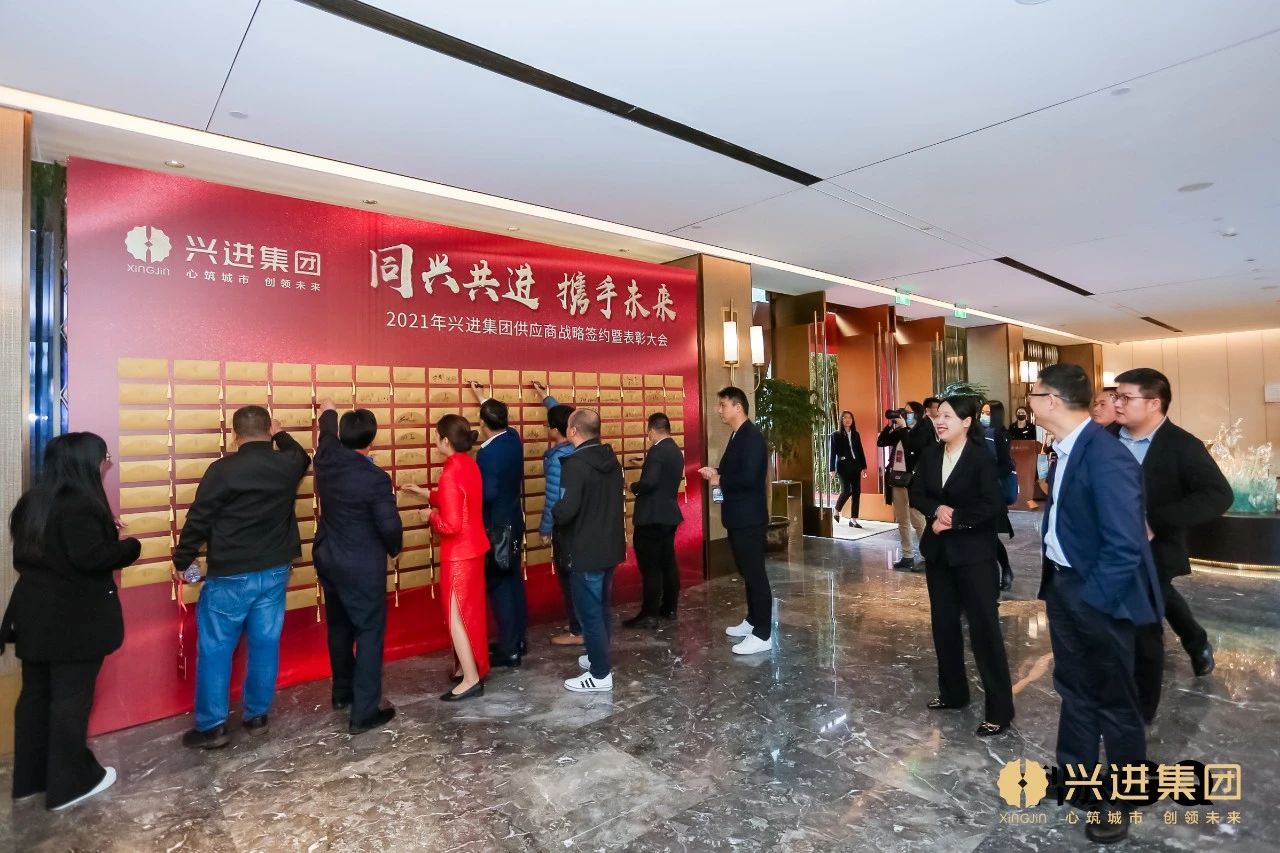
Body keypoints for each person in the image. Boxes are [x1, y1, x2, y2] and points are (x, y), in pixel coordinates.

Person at [1029, 363, 1163, 844]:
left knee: (1114, 699)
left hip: (1099, 595)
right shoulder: (1068, 449)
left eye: (1034, 394)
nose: (1030, 402)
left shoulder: (1106, 457)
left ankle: (1126, 794)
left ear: (1052, 401)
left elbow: (1125, 546)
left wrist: (1096, 601)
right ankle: (1077, 779)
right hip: (1065, 586)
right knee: (1074, 687)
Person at [2, 433, 140, 810]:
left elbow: (51, 553)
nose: (105, 465)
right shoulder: (81, 504)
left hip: (33, 615)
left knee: (35, 696)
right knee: (70, 699)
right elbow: (90, 558)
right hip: (73, 620)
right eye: (104, 458)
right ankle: (69, 785)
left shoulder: (33, 501)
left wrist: (104, 532)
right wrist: (129, 546)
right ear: (86, 462)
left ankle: (31, 779)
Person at [173, 405, 311, 749]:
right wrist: (281, 433)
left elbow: (199, 518)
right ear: (268, 430)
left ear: (234, 435)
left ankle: (213, 727)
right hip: (275, 571)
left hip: (230, 574)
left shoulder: (222, 470)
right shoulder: (287, 464)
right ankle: (257, 716)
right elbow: (301, 455)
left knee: (216, 649)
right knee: (265, 644)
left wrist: (183, 559)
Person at [1111, 368, 1232, 723]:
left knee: (1145, 629)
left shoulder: (1181, 445)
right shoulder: (1105, 438)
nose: (1117, 403)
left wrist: (1156, 520)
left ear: (1154, 403)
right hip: (1107, 551)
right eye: (1116, 396)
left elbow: (1217, 494)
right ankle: (1194, 641)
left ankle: (1141, 711)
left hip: (1154, 552)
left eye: (1125, 397)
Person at [910, 397, 1015, 737]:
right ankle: (953, 693)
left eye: (947, 416)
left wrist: (955, 519)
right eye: (937, 416)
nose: (939, 421)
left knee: (984, 631)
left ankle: (1000, 710)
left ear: (967, 421)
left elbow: (993, 505)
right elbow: (916, 493)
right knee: (944, 626)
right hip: (939, 555)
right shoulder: (931, 454)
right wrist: (937, 509)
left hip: (974, 556)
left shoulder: (981, 457)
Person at [313, 401, 402, 734]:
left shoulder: (326, 459)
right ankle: (363, 712)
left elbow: (325, 434)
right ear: (372, 440)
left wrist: (328, 411)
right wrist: (395, 549)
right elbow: (389, 525)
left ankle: (342, 692)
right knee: (369, 631)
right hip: (361, 565)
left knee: (338, 627)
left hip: (329, 559)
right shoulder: (374, 478)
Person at [403, 415, 492, 701]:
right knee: (471, 614)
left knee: (457, 618)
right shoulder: (469, 464)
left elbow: (451, 525)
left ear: (445, 440)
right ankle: (469, 668)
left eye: (436, 436)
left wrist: (430, 515)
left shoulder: (450, 472)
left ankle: (470, 679)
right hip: (474, 549)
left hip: (458, 556)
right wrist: (427, 494)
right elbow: (460, 501)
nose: (433, 440)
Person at [553, 410, 626, 691]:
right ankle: (599, 656)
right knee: (602, 607)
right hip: (609, 547)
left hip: (585, 550)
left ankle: (599, 674)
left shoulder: (575, 464)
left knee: (589, 613)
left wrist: (555, 511)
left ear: (573, 431)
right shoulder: (610, 458)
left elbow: (566, 510)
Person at [699, 386, 773, 655]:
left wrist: (721, 479)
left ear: (738, 407)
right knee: (746, 572)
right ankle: (752, 620)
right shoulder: (737, 435)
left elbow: (750, 477)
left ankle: (763, 633)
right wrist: (716, 471)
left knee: (755, 574)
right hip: (738, 516)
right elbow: (737, 470)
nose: (719, 410)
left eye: (723, 405)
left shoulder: (751, 436)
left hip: (749, 518)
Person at [468, 383, 527, 668]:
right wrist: (484, 399)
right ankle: (518, 639)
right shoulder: (513, 438)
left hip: (497, 527)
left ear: (482, 423)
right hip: (514, 520)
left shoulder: (486, 454)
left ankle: (510, 649)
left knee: (499, 584)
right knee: (513, 580)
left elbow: (488, 493)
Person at [623, 413, 685, 628]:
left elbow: (649, 482)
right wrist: (647, 463)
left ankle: (649, 615)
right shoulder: (674, 450)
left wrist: (632, 486)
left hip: (651, 517)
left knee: (650, 567)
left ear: (651, 430)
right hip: (669, 515)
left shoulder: (657, 451)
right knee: (668, 563)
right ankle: (669, 608)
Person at [531, 381, 581, 648]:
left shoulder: (559, 459)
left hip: (565, 528)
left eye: (548, 425)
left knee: (569, 578)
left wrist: (544, 530)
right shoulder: (577, 446)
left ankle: (577, 630)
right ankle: (579, 624)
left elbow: (553, 499)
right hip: (580, 526)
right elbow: (564, 417)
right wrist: (547, 398)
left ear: (554, 430)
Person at [877, 403, 927, 571]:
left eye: (908, 412)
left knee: (917, 520)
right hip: (897, 479)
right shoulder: (900, 431)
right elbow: (881, 442)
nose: (905, 414)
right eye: (904, 412)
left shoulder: (922, 432)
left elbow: (910, 449)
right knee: (902, 519)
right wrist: (890, 425)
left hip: (914, 481)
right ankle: (907, 556)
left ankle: (927, 556)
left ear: (917, 414)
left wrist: (905, 428)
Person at [981, 400, 1016, 592]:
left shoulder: (1001, 435)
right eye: (982, 411)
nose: (983, 416)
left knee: (990, 536)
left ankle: (1005, 569)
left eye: (987, 413)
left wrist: (989, 475)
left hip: (992, 493)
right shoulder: (977, 433)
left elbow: (1006, 465)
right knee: (983, 536)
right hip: (976, 492)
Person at [829, 410, 868, 528]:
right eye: (845, 417)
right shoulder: (836, 435)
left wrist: (864, 466)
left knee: (856, 492)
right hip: (843, 466)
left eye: (850, 418)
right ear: (841, 420)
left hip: (856, 465)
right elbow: (832, 453)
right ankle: (836, 510)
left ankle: (853, 520)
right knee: (846, 491)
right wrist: (832, 469)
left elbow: (860, 450)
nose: (847, 420)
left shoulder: (856, 434)